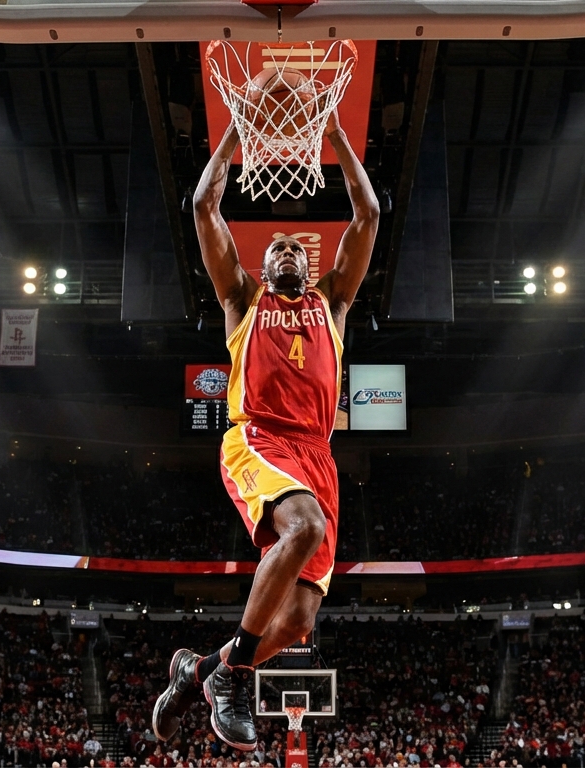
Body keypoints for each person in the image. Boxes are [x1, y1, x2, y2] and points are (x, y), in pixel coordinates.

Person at [152, 104, 379, 753]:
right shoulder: (241, 301)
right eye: (273, 247)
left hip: (317, 456)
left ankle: (199, 670)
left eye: (294, 249)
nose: (284, 252)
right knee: (302, 529)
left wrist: (334, 133)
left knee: (301, 620)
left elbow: (367, 217)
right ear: (262, 262)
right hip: (258, 438)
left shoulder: (331, 304)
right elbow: (204, 206)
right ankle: (230, 680)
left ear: (308, 265)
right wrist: (238, 131)